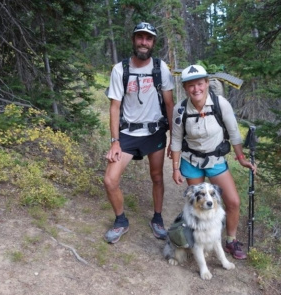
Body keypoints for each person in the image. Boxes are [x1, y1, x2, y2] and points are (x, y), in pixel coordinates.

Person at [170, 65, 257, 259]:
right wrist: (175, 168)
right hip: (191, 162)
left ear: (207, 83)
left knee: (232, 201)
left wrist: (241, 158)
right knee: (198, 205)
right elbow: (175, 140)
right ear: (185, 87)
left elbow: (234, 133)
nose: (196, 89)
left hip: (216, 161)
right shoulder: (180, 109)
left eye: (200, 84)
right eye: (191, 85)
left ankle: (230, 241)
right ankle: (200, 240)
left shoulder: (221, 104)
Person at [104, 22, 174, 244]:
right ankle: (121, 221)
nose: (144, 42)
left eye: (148, 38)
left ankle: (157, 218)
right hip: (127, 133)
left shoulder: (160, 68)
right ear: (134, 40)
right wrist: (115, 142)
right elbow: (114, 106)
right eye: (140, 37)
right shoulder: (120, 69)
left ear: (153, 43)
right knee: (110, 179)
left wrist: (174, 140)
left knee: (156, 177)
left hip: (154, 132)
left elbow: (170, 104)